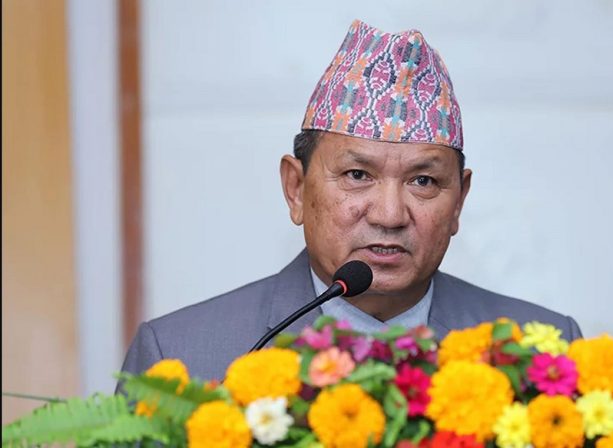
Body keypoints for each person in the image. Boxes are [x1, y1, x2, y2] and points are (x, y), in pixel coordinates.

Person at [121, 20, 581, 381]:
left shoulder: (547, 355)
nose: (389, 215)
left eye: (423, 181)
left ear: (458, 202)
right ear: (296, 188)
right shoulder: (182, 358)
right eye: (357, 175)